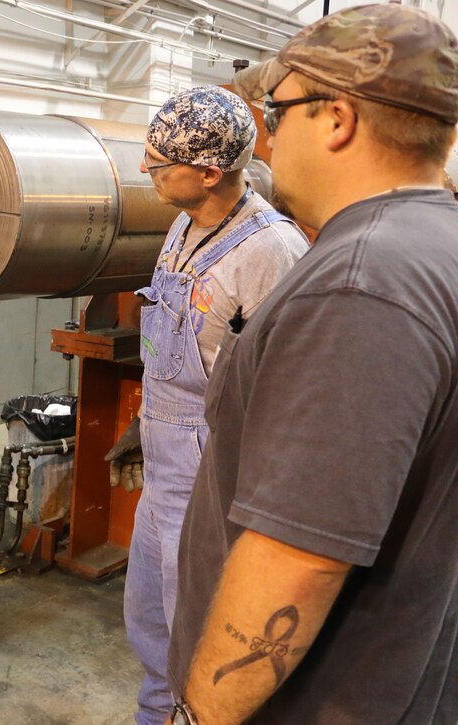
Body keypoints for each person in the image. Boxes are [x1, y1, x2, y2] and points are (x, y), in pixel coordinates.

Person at [165, 5, 458, 725]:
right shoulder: (435, 242)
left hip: (316, 699)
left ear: (337, 119)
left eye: (278, 111)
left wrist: (200, 713)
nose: (265, 138)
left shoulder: (361, 281)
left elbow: (300, 557)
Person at [103, 86, 309, 725]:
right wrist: (143, 423)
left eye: (160, 164)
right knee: (150, 615)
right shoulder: (182, 225)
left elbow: (283, 394)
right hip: (165, 452)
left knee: (198, 619)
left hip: (210, 462)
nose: (146, 171)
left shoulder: (270, 251)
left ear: (209, 172)